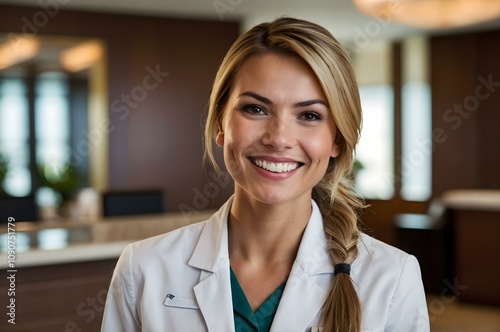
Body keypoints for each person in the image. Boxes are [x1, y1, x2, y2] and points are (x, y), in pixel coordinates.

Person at [101, 17, 430, 332]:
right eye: (255, 109)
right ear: (219, 124)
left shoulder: (392, 277)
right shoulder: (143, 268)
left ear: (338, 140)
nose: (279, 138)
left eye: (309, 115)